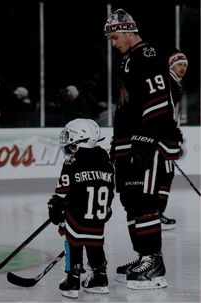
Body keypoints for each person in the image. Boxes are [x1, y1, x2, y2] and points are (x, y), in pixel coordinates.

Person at [104, 9, 183, 289]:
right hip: (129, 144)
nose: (113, 43)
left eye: (115, 37)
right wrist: (119, 145)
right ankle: (143, 257)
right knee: (131, 201)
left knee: (145, 201)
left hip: (145, 145)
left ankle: (154, 263)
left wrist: (145, 140)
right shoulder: (129, 59)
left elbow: (159, 101)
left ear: (128, 30)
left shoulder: (146, 56)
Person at [47, 118, 115, 299]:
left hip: (77, 217)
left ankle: (73, 279)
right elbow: (110, 191)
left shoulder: (72, 163)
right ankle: (100, 277)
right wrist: (106, 209)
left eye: (69, 135)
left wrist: (55, 207)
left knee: (73, 242)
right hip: (98, 218)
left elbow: (62, 194)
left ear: (79, 138)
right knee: (95, 245)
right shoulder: (106, 162)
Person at [158, 50, 188, 229]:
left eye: (185, 65)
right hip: (163, 135)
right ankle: (156, 214)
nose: (183, 68)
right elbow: (166, 112)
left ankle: (155, 213)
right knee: (164, 175)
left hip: (165, 133)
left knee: (164, 174)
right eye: (179, 64)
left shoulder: (174, 83)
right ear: (171, 65)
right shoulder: (170, 83)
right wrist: (172, 134)